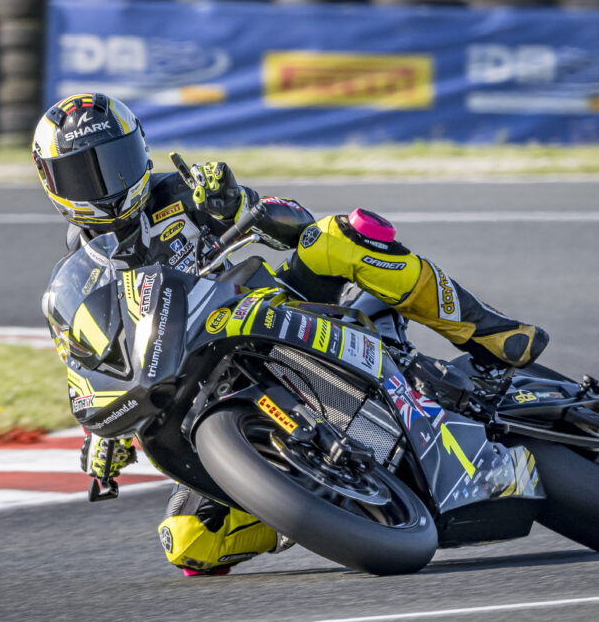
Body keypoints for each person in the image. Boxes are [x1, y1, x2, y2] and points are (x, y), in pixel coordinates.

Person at [34, 92, 548, 576]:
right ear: (53, 183)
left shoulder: (181, 192)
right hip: (199, 385)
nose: (106, 183)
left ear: (140, 150)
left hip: (267, 312)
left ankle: (489, 332)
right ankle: (311, 499)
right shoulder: (79, 276)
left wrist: (233, 201)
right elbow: (95, 363)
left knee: (333, 237)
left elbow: (295, 223)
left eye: (116, 161)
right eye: (83, 173)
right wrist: (102, 437)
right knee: (189, 543)